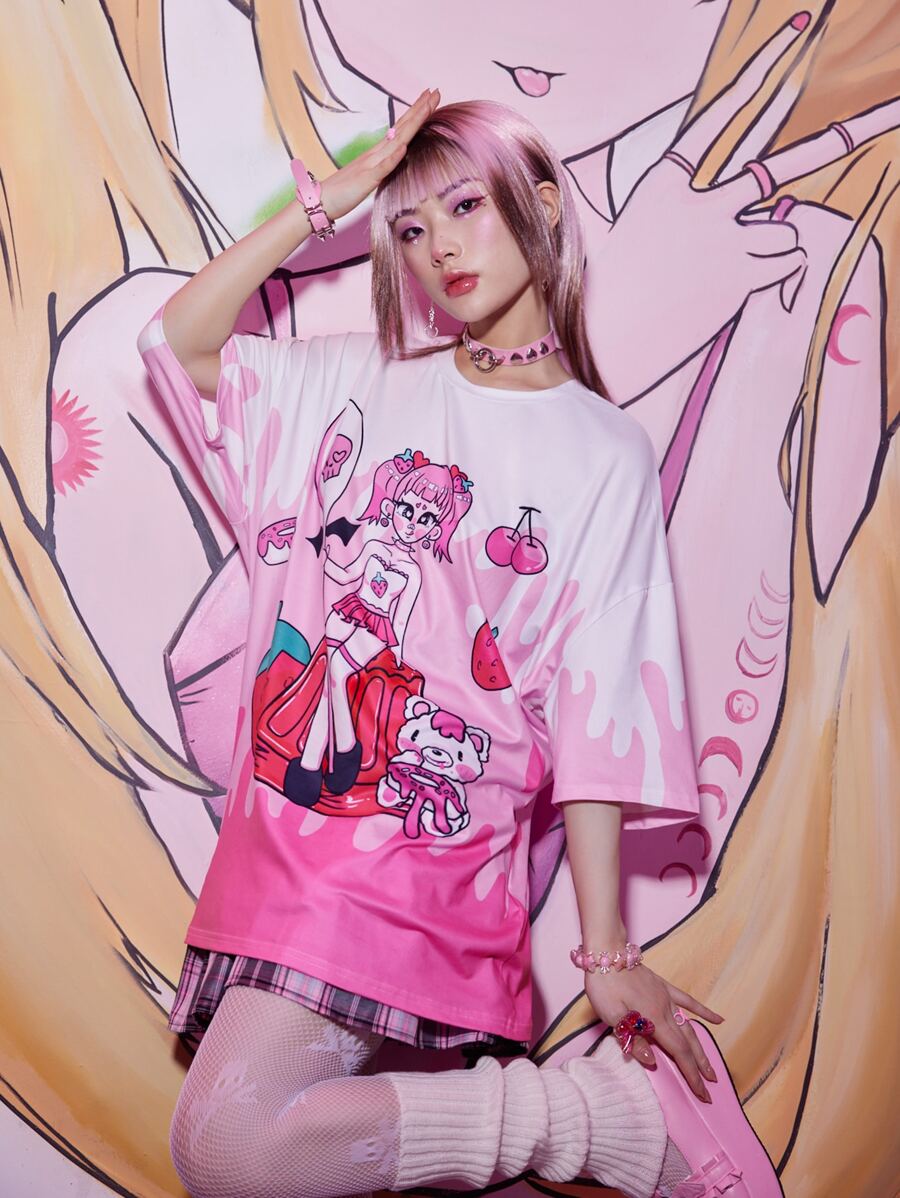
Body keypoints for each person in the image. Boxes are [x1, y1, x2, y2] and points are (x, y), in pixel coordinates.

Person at [137, 90, 782, 1198]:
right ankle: (585, 1120)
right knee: (250, 1149)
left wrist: (607, 953)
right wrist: (337, 199)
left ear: (542, 206)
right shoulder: (359, 378)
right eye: (411, 228)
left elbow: (596, 701)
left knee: (227, 1146)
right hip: (285, 840)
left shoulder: (603, 453)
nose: (439, 247)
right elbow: (177, 338)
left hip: (426, 861)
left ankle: (594, 1117)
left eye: (466, 207)